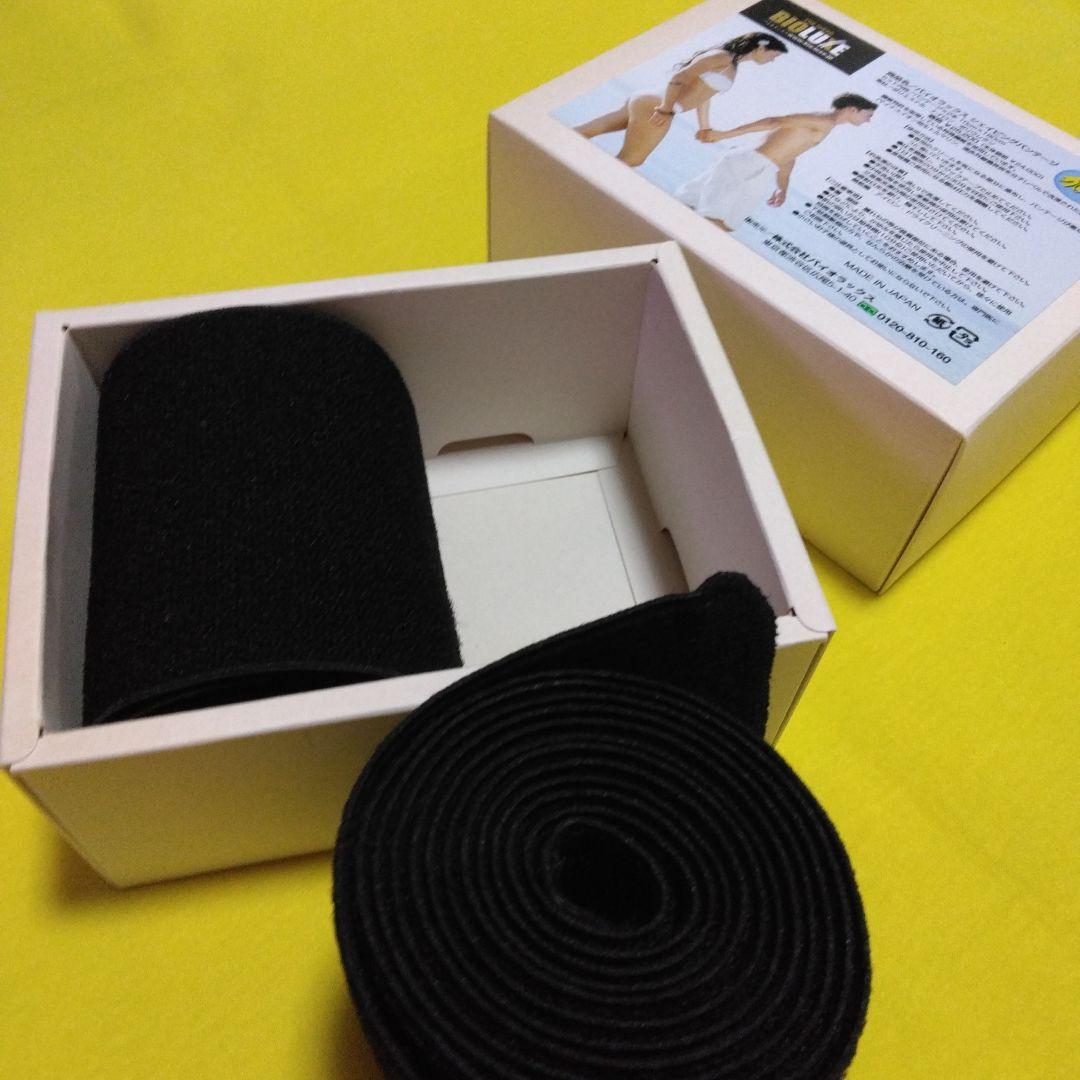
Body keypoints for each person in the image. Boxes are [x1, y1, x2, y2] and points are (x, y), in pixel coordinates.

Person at [574, 33, 787, 167]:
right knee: (630, 160)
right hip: (657, 105)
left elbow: (704, 95)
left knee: (583, 133)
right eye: (773, 55)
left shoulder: (731, 64)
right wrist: (665, 109)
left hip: (649, 101)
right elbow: (680, 77)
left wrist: (704, 127)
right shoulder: (723, 57)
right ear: (761, 47)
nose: (772, 61)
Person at [676, 93, 878, 231]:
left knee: (710, 216)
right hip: (750, 164)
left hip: (756, 166)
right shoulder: (823, 121)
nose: (869, 120)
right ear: (852, 109)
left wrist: (782, 188)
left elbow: (789, 156)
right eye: (868, 115)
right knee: (716, 221)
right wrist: (723, 134)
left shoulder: (825, 124)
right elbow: (775, 121)